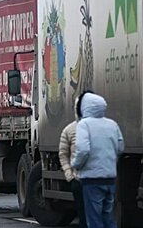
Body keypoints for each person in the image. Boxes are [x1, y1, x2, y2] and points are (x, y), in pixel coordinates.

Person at [71, 92, 124, 228]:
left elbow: (83, 150)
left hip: (91, 179)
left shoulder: (84, 125)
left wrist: (75, 164)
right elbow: (120, 147)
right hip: (110, 178)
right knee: (108, 217)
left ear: (84, 107)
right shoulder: (112, 124)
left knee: (94, 219)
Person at [59, 92, 89, 228]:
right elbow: (63, 154)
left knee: (98, 214)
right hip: (78, 179)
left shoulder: (102, 126)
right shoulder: (69, 130)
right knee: (83, 212)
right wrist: (69, 175)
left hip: (98, 178)